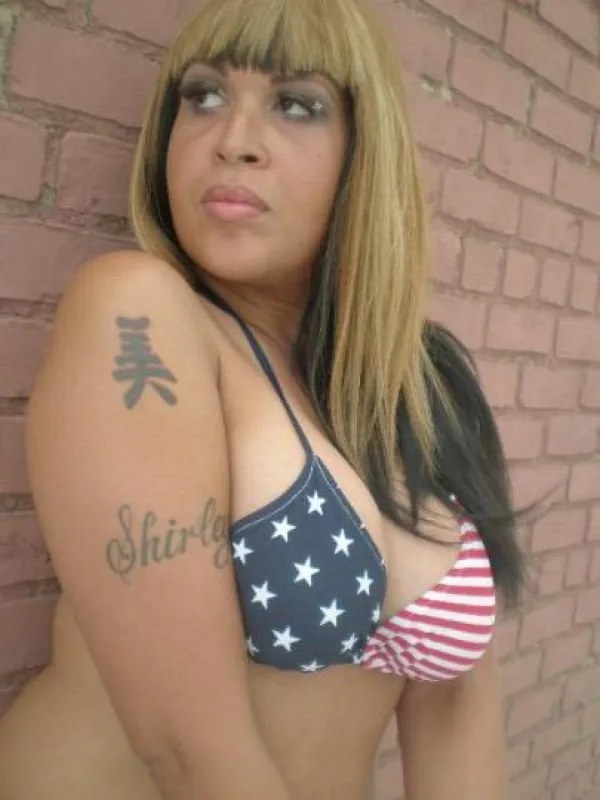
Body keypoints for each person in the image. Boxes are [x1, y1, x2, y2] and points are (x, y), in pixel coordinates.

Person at [0, 0, 528, 797]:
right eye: (204, 95)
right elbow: (191, 752)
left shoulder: (427, 390)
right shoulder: (139, 317)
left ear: (364, 152)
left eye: (296, 105)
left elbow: (457, 711)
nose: (233, 139)